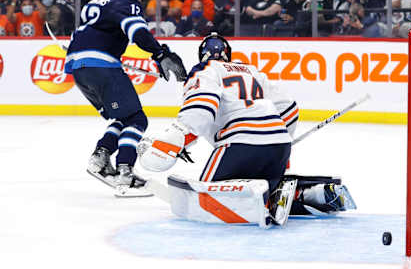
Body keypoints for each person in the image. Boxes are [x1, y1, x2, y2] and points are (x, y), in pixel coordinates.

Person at [137, 33, 356, 226]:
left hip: (238, 145)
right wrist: (281, 139)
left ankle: (259, 200)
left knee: (205, 197)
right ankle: (307, 194)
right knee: (263, 182)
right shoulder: (252, 70)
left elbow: (201, 108)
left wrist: (171, 142)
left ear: (202, 55)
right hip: (278, 147)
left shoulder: (204, 70)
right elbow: (288, 108)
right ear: (227, 54)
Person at [64, 0, 187, 196]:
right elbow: (137, 32)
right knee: (137, 119)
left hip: (78, 68)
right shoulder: (128, 3)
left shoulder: (100, 3)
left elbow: (82, 35)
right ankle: (125, 174)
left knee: (123, 117)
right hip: (101, 65)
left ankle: (99, 158)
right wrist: (160, 54)